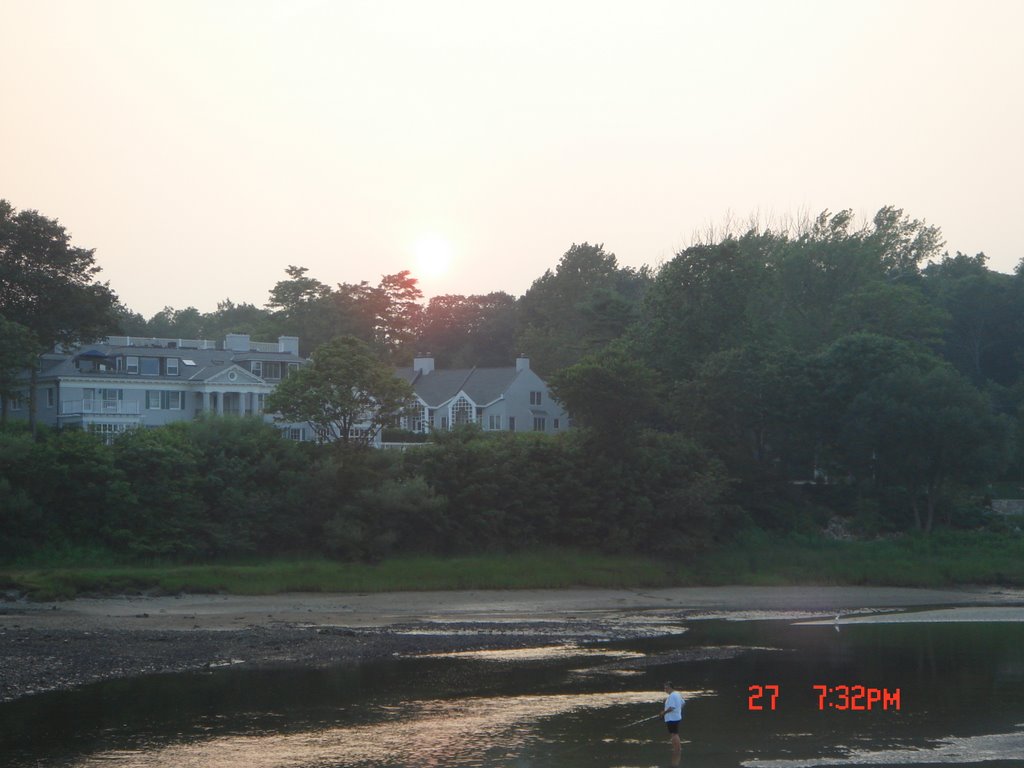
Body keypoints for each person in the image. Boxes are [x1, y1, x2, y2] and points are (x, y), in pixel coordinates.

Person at [662, 680, 684, 751]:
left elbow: (671, 707)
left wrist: (663, 713)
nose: (665, 690)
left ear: (670, 688)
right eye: (664, 688)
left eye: (666, 688)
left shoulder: (672, 696)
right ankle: (677, 749)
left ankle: (677, 749)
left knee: (674, 734)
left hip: (672, 718)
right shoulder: (677, 694)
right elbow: (683, 703)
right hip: (676, 717)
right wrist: (678, 711)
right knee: (674, 733)